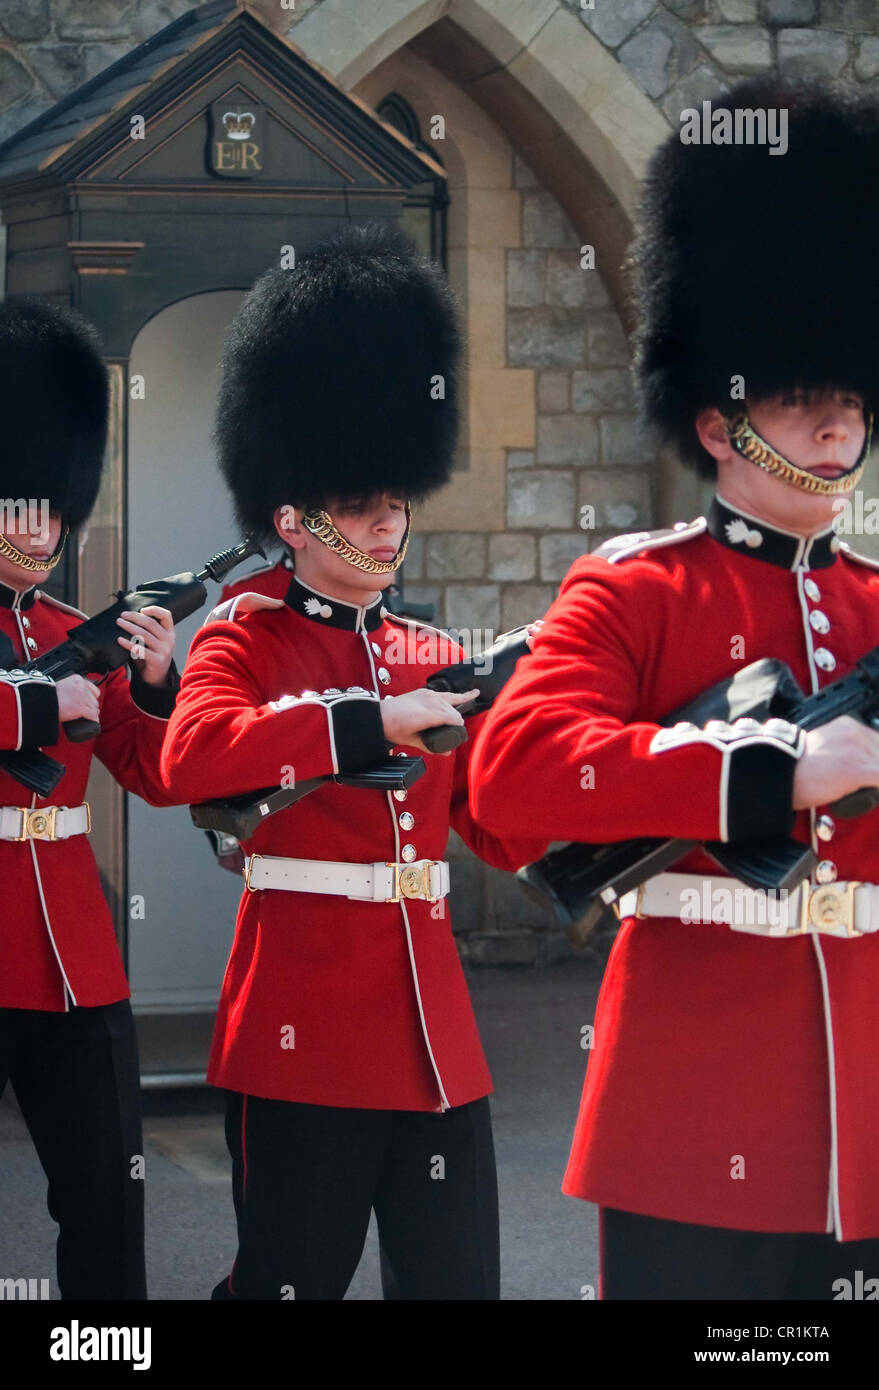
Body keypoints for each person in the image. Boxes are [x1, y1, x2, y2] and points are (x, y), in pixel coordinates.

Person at [469, 77, 879, 1299]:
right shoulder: (636, 587)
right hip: (694, 1103)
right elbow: (514, 777)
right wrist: (772, 769)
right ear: (718, 423)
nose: (834, 430)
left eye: (851, 402)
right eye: (805, 401)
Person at [160, 223, 547, 1300]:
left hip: (437, 1038)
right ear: (295, 515)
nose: (391, 523)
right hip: (305, 1031)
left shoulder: (429, 652)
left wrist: (544, 741)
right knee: (290, 1282)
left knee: (455, 1286)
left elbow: (498, 829)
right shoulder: (246, 631)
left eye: (398, 503)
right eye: (367, 506)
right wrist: (369, 720)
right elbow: (194, 757)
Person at [0, 298, 179, 1299]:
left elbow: (155, 774)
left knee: (108, 1203)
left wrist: (153, 682)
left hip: (76, 953)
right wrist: (31, 701)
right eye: (22, 506)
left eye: (54, 511)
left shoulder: (78, 626)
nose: (43, 530)